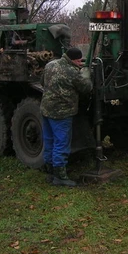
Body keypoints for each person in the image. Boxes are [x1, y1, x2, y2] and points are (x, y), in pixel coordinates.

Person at [40, 47, 92, 187]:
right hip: (62, 113)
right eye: (79, 61)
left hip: (46, 110)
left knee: (49, 141)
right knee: (61, 143)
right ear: (75, 60)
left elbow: (42, 82)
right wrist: (86, 74)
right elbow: (86, 88)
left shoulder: (50, 65)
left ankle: (50, 172)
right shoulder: (73, 72)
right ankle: (60, 176)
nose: (80, 63)